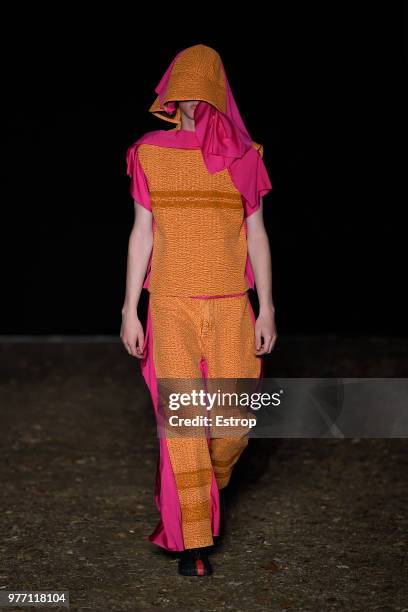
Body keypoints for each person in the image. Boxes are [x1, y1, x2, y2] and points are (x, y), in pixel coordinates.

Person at [121, 43, 277, 577]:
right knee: (184, 424)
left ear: (215, 94)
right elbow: (142, 233)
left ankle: (210, 488)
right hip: (169, 304)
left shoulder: (245, 156)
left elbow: (256, 234)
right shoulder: (149, 152)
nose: (188, 103)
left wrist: (268, 308)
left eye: (197, 92)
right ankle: (193, 544)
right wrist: (128, 309)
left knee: (232, 427)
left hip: (233, 304)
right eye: (179, 93)